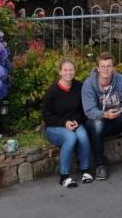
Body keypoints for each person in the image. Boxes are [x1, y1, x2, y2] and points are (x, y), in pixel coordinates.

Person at [81, 52, 122, 180]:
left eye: (109, 66)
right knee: (98, 123)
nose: (106, 69)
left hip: (116, 118)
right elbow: (89, 111)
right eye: (103, 66)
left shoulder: (120, 79)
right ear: (98, 68)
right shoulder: (89, 84)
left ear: (113, 68)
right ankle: (100, 165)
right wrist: (104, 114)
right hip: (97, 122)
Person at [41, 59, 93, 188]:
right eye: (65, 70)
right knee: (71, 137)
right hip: (55, 127)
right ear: (60, 71)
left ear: (75, 71)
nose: (68, 73)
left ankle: (85, 171)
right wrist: (64, 123)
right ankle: (64, 176)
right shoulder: (52, 91)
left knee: (83, 136)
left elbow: (83, 110)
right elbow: (46, 116)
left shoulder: (79, 87)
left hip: (75, 123)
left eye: (71, 70)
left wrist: (76, 121)